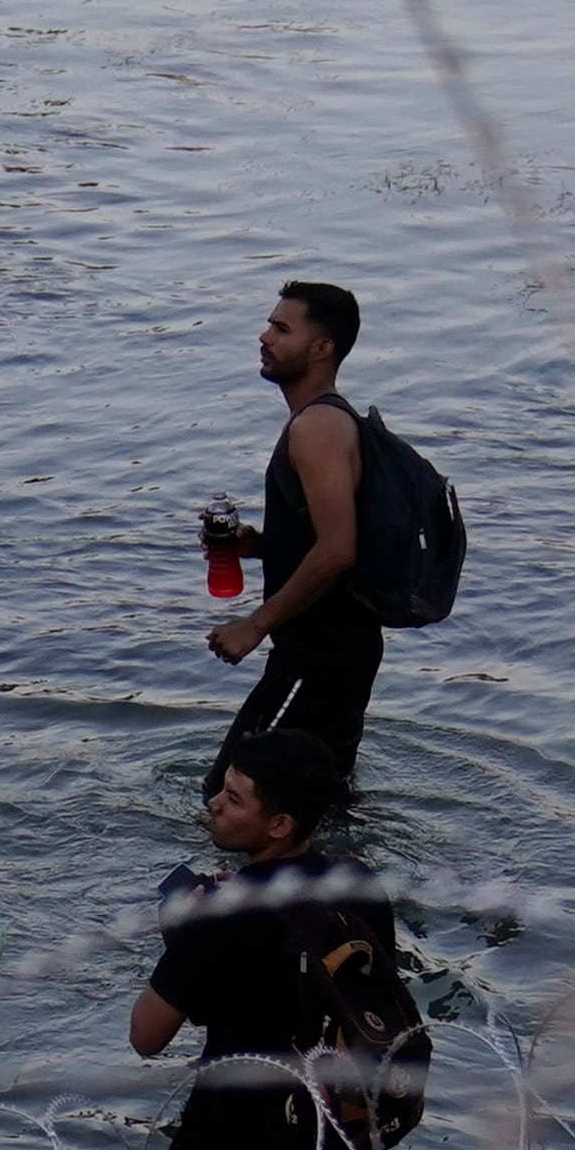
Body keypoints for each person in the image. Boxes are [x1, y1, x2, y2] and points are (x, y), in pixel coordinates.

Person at [131, 728, 398, 1150]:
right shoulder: (358, 883)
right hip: (319, 1149)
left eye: (232, 797)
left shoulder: (220, 917)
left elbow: (146, 1035)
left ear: (280, 824)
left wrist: (184, 937)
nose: (213, 804)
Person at [200, 281, 382, 798]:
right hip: (336, 651)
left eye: (282, 329)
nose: (265, 336)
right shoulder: (323, 420)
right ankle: (345, 878)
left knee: (231, 797)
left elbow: (338, 549)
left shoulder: (318, 426)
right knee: (314, 802)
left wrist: (254, 625)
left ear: (322, 348)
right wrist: (253, 545)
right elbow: (327, 537)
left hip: (320, 656)